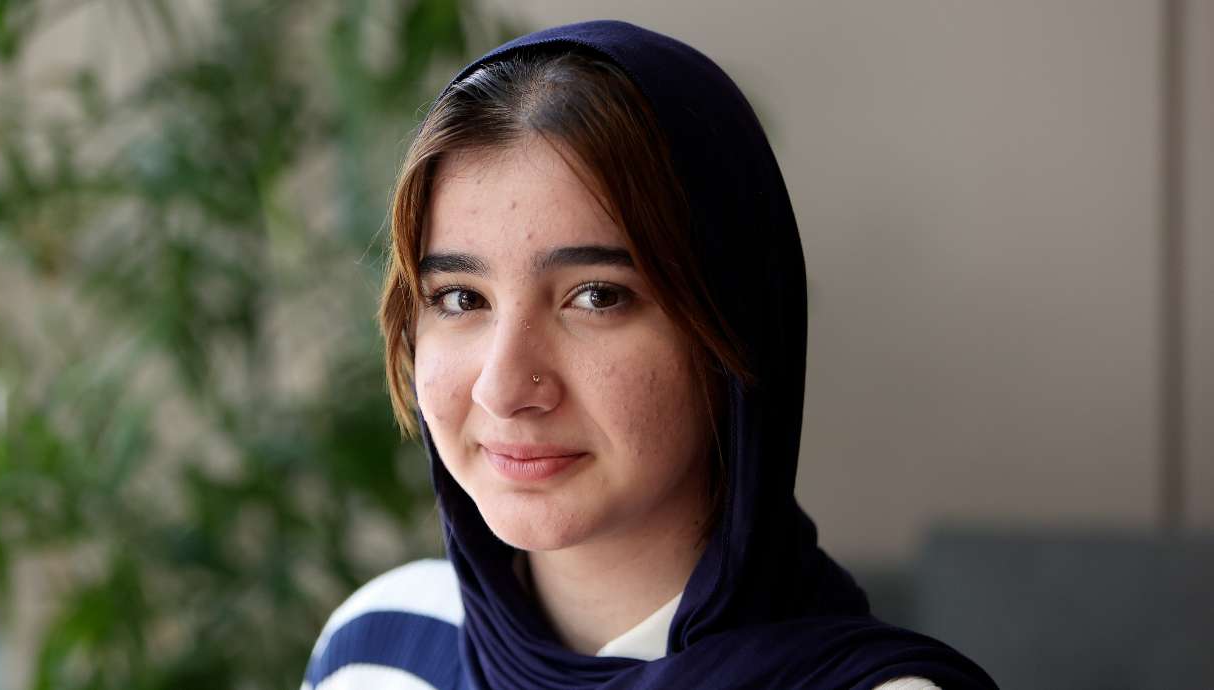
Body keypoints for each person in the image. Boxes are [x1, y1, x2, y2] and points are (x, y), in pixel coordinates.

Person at [302, 20, 997, 690]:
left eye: (597, 296)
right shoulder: (376, 648)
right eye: (459, 298)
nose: (504, 387)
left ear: (731, 327)